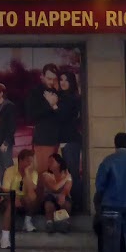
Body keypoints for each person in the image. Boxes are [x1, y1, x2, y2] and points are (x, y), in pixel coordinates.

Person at [1, 146, 41, 244]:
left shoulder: (33, 173)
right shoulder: (9, 171)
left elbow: (31, 192)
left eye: (31, 162)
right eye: (28, 161)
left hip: (23, 199)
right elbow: (5, 190)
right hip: (10, 198)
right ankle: (5, 238)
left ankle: (27, 222)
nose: (30, 164)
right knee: (10, 205)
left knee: (33, 197)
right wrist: (14, 199)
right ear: (20, 160)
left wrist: (27, 174)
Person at [58, 73, 86, 210]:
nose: (63, 82)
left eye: (66, 80)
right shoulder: (64, 97)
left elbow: (64, 117)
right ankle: (74, 202)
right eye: (61, 79)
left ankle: (79, 203)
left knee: (73, 173)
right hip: (66, 140)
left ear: (71, 82)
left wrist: (53, 106)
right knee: (70, 172)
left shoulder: (71, 98)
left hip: (71, 140)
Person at [40, 152, 74, 232]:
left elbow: (67, 188)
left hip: (61, 197)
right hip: (50, 197)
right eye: (48, 162)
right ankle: (49, 223)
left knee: (66, 202)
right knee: (49, 203)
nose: (49, 163)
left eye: (52, 161)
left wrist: (63, 194)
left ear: (59, 163)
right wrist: (65, 179)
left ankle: (64, 223)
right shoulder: (46, 175)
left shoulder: (67, 175)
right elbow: (54, 187)